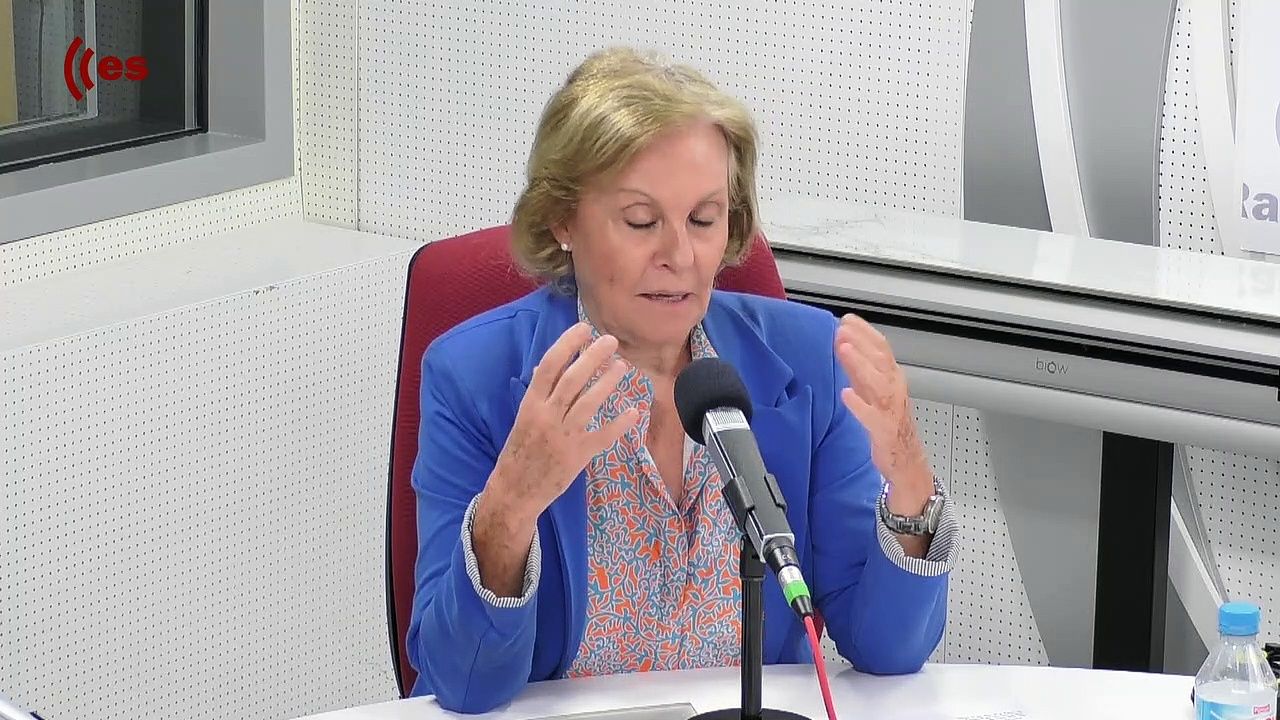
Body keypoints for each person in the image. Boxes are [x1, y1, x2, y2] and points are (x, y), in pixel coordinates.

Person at [405, 47, 960, 714]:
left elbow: (888, 650)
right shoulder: (475, 377)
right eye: (641, 221)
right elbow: (463, 683)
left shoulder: (810, 360)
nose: (679, 255)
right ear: (563, 219)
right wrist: (511, 504)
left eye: (703, 220)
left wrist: (909, 476)